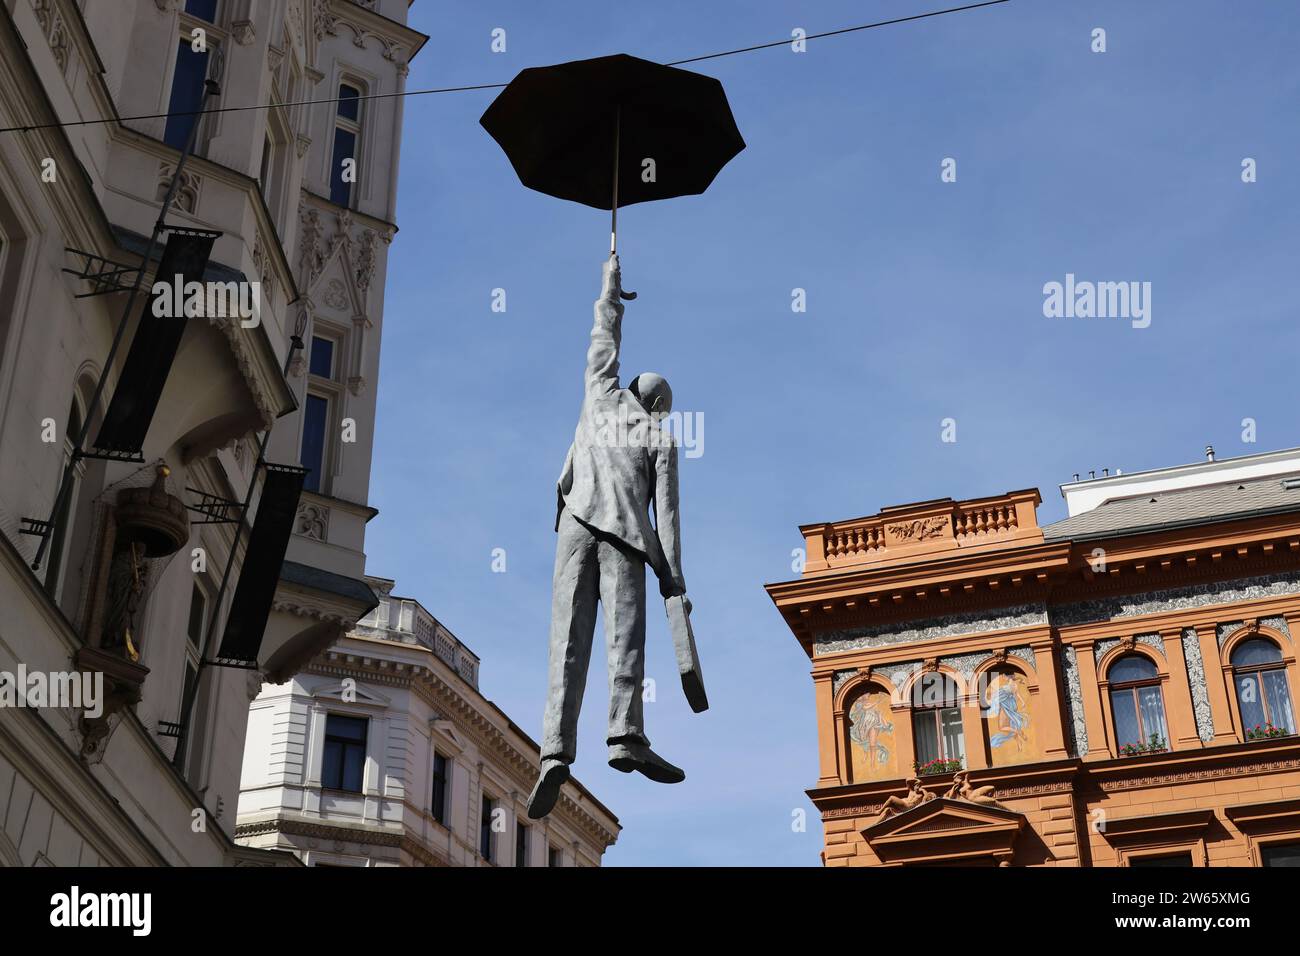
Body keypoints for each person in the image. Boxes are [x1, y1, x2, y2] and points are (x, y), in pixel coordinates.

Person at [527, 254, 689, 818]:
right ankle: (624, 736)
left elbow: (604, 329)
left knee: (566, 642)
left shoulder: (600, 391)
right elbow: (666, 518)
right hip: (625, 539)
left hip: (575, 525)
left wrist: (611, 285)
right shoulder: (663, 441)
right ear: (661, 407)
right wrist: (673, 581)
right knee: (626, 643)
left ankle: (554, 750)